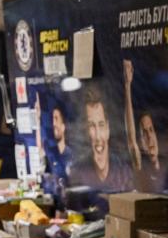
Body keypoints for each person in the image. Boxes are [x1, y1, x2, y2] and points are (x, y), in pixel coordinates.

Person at [69, 85, 133, 193]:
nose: (98, 136)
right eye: (91, 125)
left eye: (101, 124)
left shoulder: (123, 171)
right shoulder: (77, 172)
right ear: (86, 131)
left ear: (108, 129)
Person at [124, 60, 166, 192]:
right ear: (140, 143)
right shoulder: (141, 167)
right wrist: (127, 85)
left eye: (150, 130)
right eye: (143, 133)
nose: (149, 137)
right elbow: (131, 139)